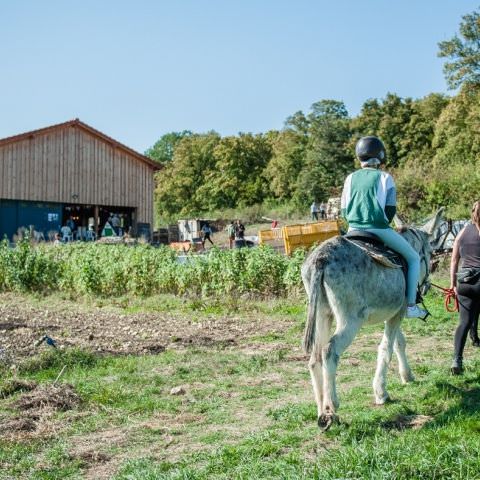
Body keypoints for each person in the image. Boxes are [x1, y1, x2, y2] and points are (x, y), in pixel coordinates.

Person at [341, 136, 427, 318]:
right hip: (378, 229)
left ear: (359, 157)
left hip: (352, 231)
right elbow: (390, 210)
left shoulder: (349, 178)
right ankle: (411, 306)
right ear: (380, 155)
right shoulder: (385, 177)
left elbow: (343, 210)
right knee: (412, 257)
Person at [449, 201, 480, 375]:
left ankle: (456, 359)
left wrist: (453, 284)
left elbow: (454, 260)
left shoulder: (463, 232)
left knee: (464, 322)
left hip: (465, 282)